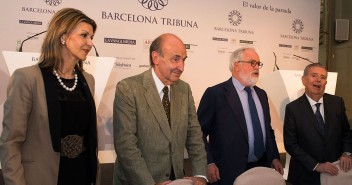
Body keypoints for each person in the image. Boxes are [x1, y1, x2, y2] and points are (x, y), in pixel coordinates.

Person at [0, 8, 99, 185]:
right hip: (42, 177)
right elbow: (11, 142)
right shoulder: (27, 78)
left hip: (82, 174)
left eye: (91, 37)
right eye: (84, 35)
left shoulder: (88, 81)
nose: (90, 43)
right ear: (63, 36)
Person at [113, 33, 207, 185]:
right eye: (175, 59)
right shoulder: (128, 88)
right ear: (156, 58)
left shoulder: (184, 89)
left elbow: (194, 135)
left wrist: (201, 174)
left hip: (176, 180)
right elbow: (126, 145)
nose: (181, 67)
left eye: (183, 60)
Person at [197, 47, 284, 185]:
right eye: (252, 63)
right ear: (236, 66)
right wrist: (209, 162)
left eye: (258, 64)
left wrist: (274, 157)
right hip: (227, 171)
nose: (257, 67)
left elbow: (267, 129)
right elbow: (198, 132)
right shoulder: (216, 94)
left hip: (261, 167)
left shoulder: (262, 95)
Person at [284, 63, 352, 185]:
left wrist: (347, 153)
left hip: (335, 173)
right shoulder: (292, 108)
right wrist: (316, 165)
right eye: (313, 75)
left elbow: (346, 133)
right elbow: (290, 143)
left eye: (323, 77)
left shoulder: (337, 103)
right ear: (304, 80)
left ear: (325, 82)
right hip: (305, 175)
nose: (318, 80)